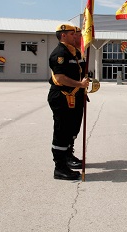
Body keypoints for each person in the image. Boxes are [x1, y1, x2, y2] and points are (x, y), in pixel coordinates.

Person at [48, 24, 89, 180]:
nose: (77, 36)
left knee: (71, 130)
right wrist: (79, 84)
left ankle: (66, 158)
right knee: (61, 132)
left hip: (74, 96)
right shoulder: (59, 54)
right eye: (73, 34)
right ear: (63, 35)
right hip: (62, 97)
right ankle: (60, 167)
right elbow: (60, 78)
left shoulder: (74, 53)